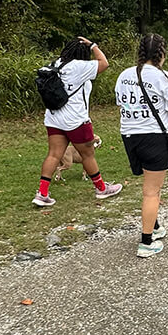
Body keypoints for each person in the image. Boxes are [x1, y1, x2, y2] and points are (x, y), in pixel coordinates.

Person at [32, 36, 122, 207]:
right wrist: (93, 45)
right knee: (87, 154)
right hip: (76, 120)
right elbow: (104, 63)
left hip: (53, 117)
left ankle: (42, 193)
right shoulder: (79, 66)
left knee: (53, 154)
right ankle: (102, 188)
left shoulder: (55, 64)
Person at [114, 33, 168, 258]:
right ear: (162, 53)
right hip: (155, 137)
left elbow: (121, 104)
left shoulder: (124, 75)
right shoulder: (165, 78)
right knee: (152, 191)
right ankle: (146, 242)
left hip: (130, 136)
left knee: (150, 186)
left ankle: (155, 224)